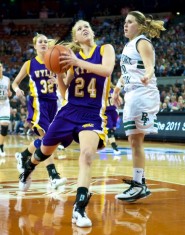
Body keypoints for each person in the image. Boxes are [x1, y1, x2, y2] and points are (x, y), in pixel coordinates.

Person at [18, 20, 115, 227]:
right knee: (44, 149)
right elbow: (64, 93)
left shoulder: (105, 49)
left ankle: (79, 209)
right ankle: (28, 167)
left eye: (86, 26)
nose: (84, 29)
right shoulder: (72, 59)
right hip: (69, 110)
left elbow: (106, 70)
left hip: (92, 114)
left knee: (87, 155)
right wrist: (60, 76)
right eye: (79, 28)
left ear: (92, 31)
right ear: (75, 38)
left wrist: (76, 63)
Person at [112, 11, 166, 202]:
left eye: (130, 22)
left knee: (136, 141)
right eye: (124, 22)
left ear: (140, 26)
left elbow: (151, 65)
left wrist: (148, 75)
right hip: (132, 93)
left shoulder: (142, 42)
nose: (125, 25)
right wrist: (117, 89)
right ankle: (139, 181)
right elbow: (126, 71)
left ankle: (139, 185)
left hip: (143, 93)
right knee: (134, 140)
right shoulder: (128, 45)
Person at [12, 33, 67, 189]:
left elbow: (63, 84)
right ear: (35, 46)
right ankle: (53, 176)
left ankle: (23, 156)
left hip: (53, 104)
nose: (43, 43)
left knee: (47, 141)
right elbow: (15, 83)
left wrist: (59, 80)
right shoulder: (29, 64)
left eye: (45, 41)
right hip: (38, 103)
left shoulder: (55, 63)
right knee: (48, 139)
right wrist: (17, 90)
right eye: (40, 42)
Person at [105, 83, 121, 155]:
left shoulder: (114, 90)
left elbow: (120, 101)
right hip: (106, 112)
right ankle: (114, 148)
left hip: (114, 111)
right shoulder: (102, 89)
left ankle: (108, 141)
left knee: (113, 129)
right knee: (110, 130)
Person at [0, 62, 12, 157]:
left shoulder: (7, 79)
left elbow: (9, 91)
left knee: (5, 126)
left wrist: (9, 93)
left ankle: (1, 145)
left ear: (2, 68)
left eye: (0, 66)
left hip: (4, 104)